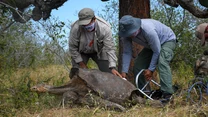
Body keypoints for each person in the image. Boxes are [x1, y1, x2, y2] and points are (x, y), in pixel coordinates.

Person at [119, 15, 177, 103]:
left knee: (162, 62)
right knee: (138, 66)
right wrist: (124, 71)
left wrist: (151, 69)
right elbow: (127, 52)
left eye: (131, 32)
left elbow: (157, 51)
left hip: (167, 40)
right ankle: (144, 92)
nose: (130, 35)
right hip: (151, 46)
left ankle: (167, 94)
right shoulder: (125, 34)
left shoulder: (148, 30)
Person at [69, 8, 122, 78]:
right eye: (83, 24)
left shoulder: (104, 28)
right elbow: (73, 48)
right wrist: (81, 63)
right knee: (76, 74)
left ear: (94, 19)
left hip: (99, 51)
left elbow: (110, 48)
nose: (86, 26)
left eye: (87, 23)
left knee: (110, 73)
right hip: (81, 52)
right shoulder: (75, 28)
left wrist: (112, 67)